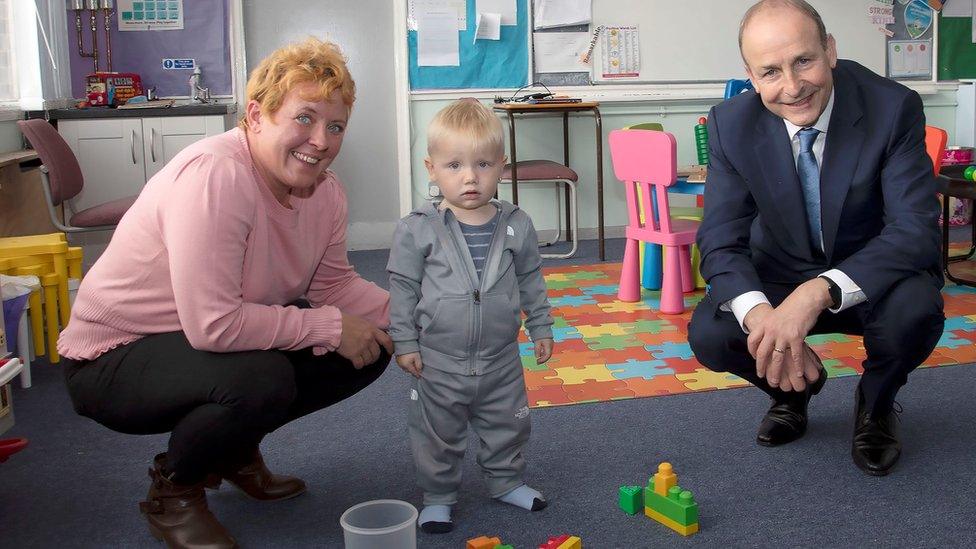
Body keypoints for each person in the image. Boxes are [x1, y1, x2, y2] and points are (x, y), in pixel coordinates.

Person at [59, 38, 393, 548]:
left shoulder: (326, 192)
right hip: (113, 357)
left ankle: (233, 450)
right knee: (265, 373)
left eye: (335, 126)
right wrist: (326, 326)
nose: (321, 141)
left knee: (369, 346)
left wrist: (422, 320)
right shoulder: (216, 175)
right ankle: (176, 490)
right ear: (256, 116)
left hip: (196, 343)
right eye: (304, 118)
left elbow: (335, 286)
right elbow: (214, 324)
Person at [688, 0, 944, 476]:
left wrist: (817, 292)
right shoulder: (730, 125)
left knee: (917, 310)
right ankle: (793, 389)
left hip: (872, 273)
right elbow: (721, 240)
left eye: (803, 60)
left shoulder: (892, 107)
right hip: (780, 270)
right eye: (770, 71)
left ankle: (876, 403)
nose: (792, 87)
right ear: (750, 74)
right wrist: (764, 318)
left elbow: (915, 231)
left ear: (829, 49)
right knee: (711, 331)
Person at [387, 100, 555, 533]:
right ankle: (439, 496)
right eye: (454, 165)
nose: (469, 177)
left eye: (483, 164)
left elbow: (532, 278)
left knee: (508, 426)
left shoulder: (517, 223)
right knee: (437, 434)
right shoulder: (417, 227)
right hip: (439, 360)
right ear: (431, 168)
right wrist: (404, 341)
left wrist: (541, 326)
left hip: (501, 358)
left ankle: (505, 482)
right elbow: (403, 288)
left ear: (502, 166)